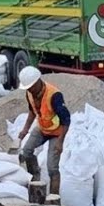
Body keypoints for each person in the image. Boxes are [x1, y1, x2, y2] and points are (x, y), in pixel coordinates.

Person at [16, 66, 70, 197]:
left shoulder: (54, 95)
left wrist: (60, 143)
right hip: (42, 128)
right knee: (27, 151)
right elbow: (32, 112)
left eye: (30, 87)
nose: (29, 89)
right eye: (27, 88)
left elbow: (66, 120)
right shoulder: (29, 93)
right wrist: (25, 130)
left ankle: (53, 199)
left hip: (56, 133)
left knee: (52, 167)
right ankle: (35, 178)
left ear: (38, 82)